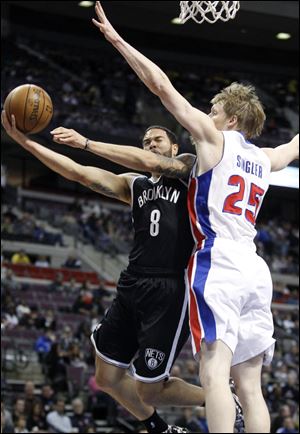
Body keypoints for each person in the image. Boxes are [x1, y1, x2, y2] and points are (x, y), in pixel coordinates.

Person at [90, 2, 299, 433]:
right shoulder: (265, 157)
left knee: (214, 372)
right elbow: (295, 145)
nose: (207, 113)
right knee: (252, 386)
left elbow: (160, 86)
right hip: (257, 269)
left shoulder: (212, 140)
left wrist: (116, 40)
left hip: (218, 260)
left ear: (231, 118)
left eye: (214, 108)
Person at [1, 112, 205, 433]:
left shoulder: (188, 169)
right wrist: (27, 143)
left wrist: (85, 142)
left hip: (170, 286)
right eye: (146, 141)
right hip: (133, 282)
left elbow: (149, 161)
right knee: (106, 378)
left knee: (150, 388)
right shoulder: (135, 185)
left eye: (157, 140)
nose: (151, 145)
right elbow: (79, 173)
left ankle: (220, 398)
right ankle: (160, 429)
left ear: (174, 146)